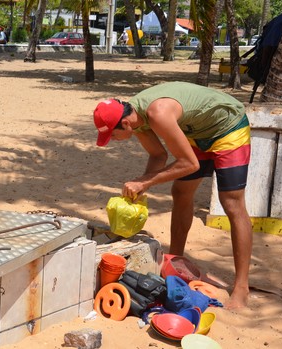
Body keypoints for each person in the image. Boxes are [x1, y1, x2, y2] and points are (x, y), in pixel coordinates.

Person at [92, 81, 252, 309]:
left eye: (113, 136)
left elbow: (188, 164)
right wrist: (141, 186)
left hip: (227, 127)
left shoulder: (157, 114)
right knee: (180, 191)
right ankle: (175, 261)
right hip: (197, 132)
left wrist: (143, 181)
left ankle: (241, 287)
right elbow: (158, 156)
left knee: (232, 203)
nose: (113, 141)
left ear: (125, 124)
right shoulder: (136, 119)